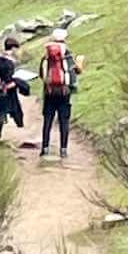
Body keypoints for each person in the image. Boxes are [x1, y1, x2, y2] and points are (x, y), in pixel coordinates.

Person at [39, 27, 79, 160]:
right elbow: (73, 74)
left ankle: (45, 148)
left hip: (49, 92)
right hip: (64, 93)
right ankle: (63, 149)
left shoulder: (46, 54)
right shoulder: (67, 54)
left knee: (47, 120)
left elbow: (42, 74)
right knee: (64, 121)